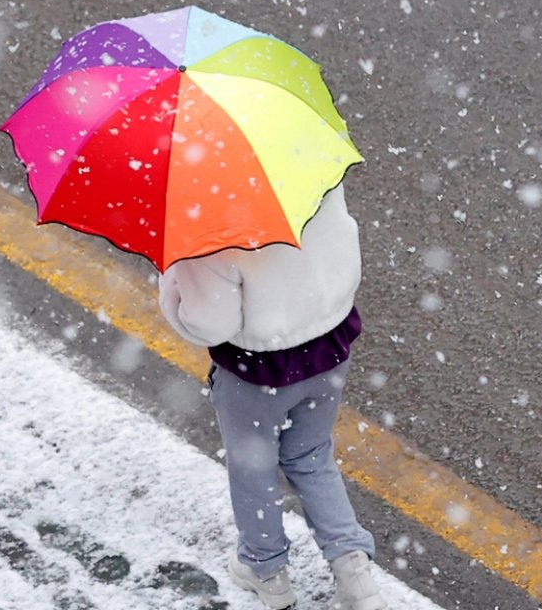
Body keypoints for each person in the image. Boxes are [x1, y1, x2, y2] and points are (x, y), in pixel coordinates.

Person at [158, 184, 388, 610]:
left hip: (255, 372)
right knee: (311, 455)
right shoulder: (310, 174)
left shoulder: (202, 222)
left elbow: (209, 323)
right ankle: (354, 575)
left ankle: (267, 573)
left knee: (253, 467)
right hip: (329, 348)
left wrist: (172, 283)